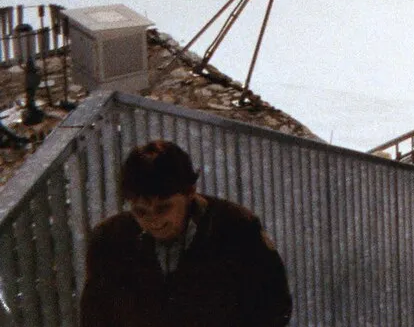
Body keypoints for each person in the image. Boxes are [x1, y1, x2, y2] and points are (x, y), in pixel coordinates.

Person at [80, 139, 292, 327]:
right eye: (140, 211)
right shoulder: (109, 242)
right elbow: (95, 315)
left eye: (164, 208)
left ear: (190, 192)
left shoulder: (237, 229)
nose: (153, 220)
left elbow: (273, 306)